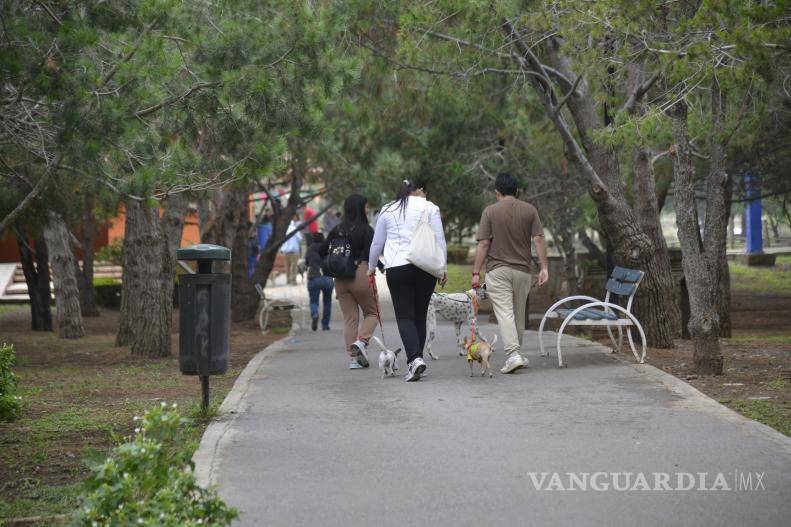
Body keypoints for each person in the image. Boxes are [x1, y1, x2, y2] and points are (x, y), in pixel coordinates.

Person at [368, 179, 447, 382]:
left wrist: (371, 268)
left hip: (397, 267)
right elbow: (439, 239)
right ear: (417, 190)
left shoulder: (387, 209)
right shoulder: (430, 207)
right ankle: (417, 358)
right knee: (420, 314)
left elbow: (377, 242)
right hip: (426, 267)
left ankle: (415, 359)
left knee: (404, 316)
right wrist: (442, 267)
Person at [472, 173, 548, 374]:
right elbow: (538, 239)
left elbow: (484, 243)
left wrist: (475, 272)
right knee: (518, 315)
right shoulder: (530, 210)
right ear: (517, 191)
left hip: (498, 270)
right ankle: (517, 354)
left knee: (505, 313)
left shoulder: (489, 211)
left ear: (497, 192)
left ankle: (513, 354)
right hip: (523, 271)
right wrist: (544, 267)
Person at [320, 195, 380, 370]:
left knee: (350, 319)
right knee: (372, 313)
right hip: (360, 273)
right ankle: (361, 342)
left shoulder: (337, 229)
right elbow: (371, 254)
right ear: (361, 208)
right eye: (366, 207)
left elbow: (322, 249)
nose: (368, 210)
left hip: (340, 278)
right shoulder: (367, 230)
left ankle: (353, 359)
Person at [305, 233, 334, 331]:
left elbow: (307, 263)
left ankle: (315, 314)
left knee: (313, 301)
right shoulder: (328, 248)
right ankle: (325, 325)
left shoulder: (309, 249)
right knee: (327, 302)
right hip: (327, 277)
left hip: (314, 277)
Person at [280, 214, 302, 285]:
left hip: (286, 251)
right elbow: (300, 238)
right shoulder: (295, 229)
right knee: (294, 266)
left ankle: (288, 280)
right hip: (294, 251)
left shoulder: (284, 230)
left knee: (287, 266)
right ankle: (293, 280)